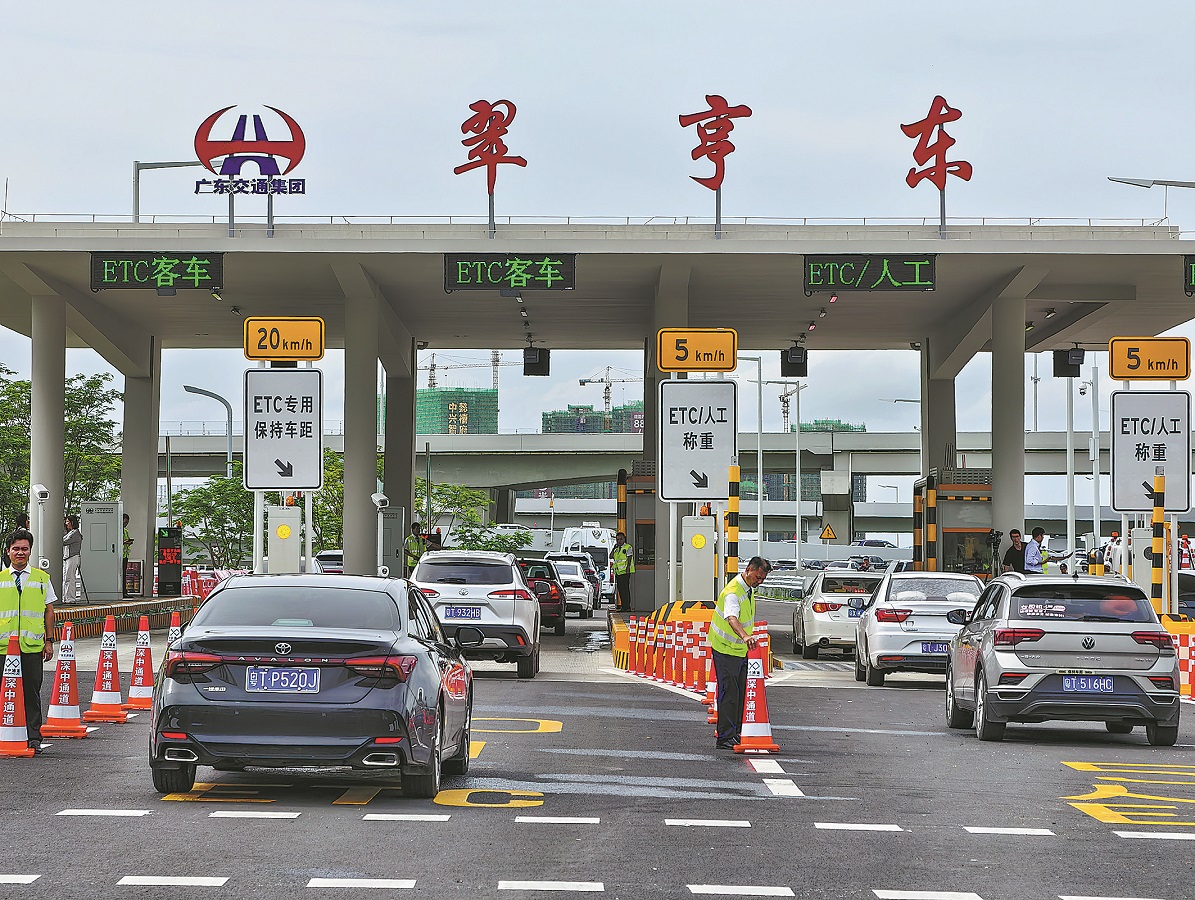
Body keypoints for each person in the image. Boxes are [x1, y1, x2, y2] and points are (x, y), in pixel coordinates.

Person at [0, 529, 57, 754]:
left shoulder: (42, 578)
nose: (20, 553)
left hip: (31, 647)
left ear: (30, 551)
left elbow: (49, 612)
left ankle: (33, 737)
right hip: (3, 648)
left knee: (31, 692)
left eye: (24, 549)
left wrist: (49, 640)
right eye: (16, 549)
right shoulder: (1, 579)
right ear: (8, 552)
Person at [709, 556, 772, 750]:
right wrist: (745, 636)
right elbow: (731, 618)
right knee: (729, 692)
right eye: (758, 577)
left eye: (762, 579)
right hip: (725, 649)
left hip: (738, 650)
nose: (759, 581)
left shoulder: (748, 590)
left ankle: (735, 732)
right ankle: (725, 737)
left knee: (740, 692)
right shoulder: (733, 592)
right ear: (749, 569)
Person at [611, 531, 635, 610]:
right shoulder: (617, 549)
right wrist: (614, 548)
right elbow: (610, 556)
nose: (619, 541)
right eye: (617, 539)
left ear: (624, 539)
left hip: (625, 572)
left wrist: (628, 569)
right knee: (620, 590)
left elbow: (629, 558)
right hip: (618, 572)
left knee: (625, 589)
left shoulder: (628, 547)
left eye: (621, 539)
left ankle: (627, 606)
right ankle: (623, 606)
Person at [62, 515, 82, 603]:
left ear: (72, 522)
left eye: (67, 522)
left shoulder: (75, 534)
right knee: (67, 578)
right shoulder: (71, 532)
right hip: (68, 557)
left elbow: (63, 541)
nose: (66, 524)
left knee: (70, 578)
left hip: (72, 557)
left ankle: (71, 598)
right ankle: (66, 597)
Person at [122, 513, 133, 596]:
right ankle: (122, 591)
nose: (126, 524)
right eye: (125, 522)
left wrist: (128, 542)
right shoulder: (117, 530)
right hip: (119, 555)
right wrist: (124, 542)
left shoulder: (126, 531)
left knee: (124, 573)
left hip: (125, 555)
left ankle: (124, 591)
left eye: (127, 523)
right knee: (120, 574)